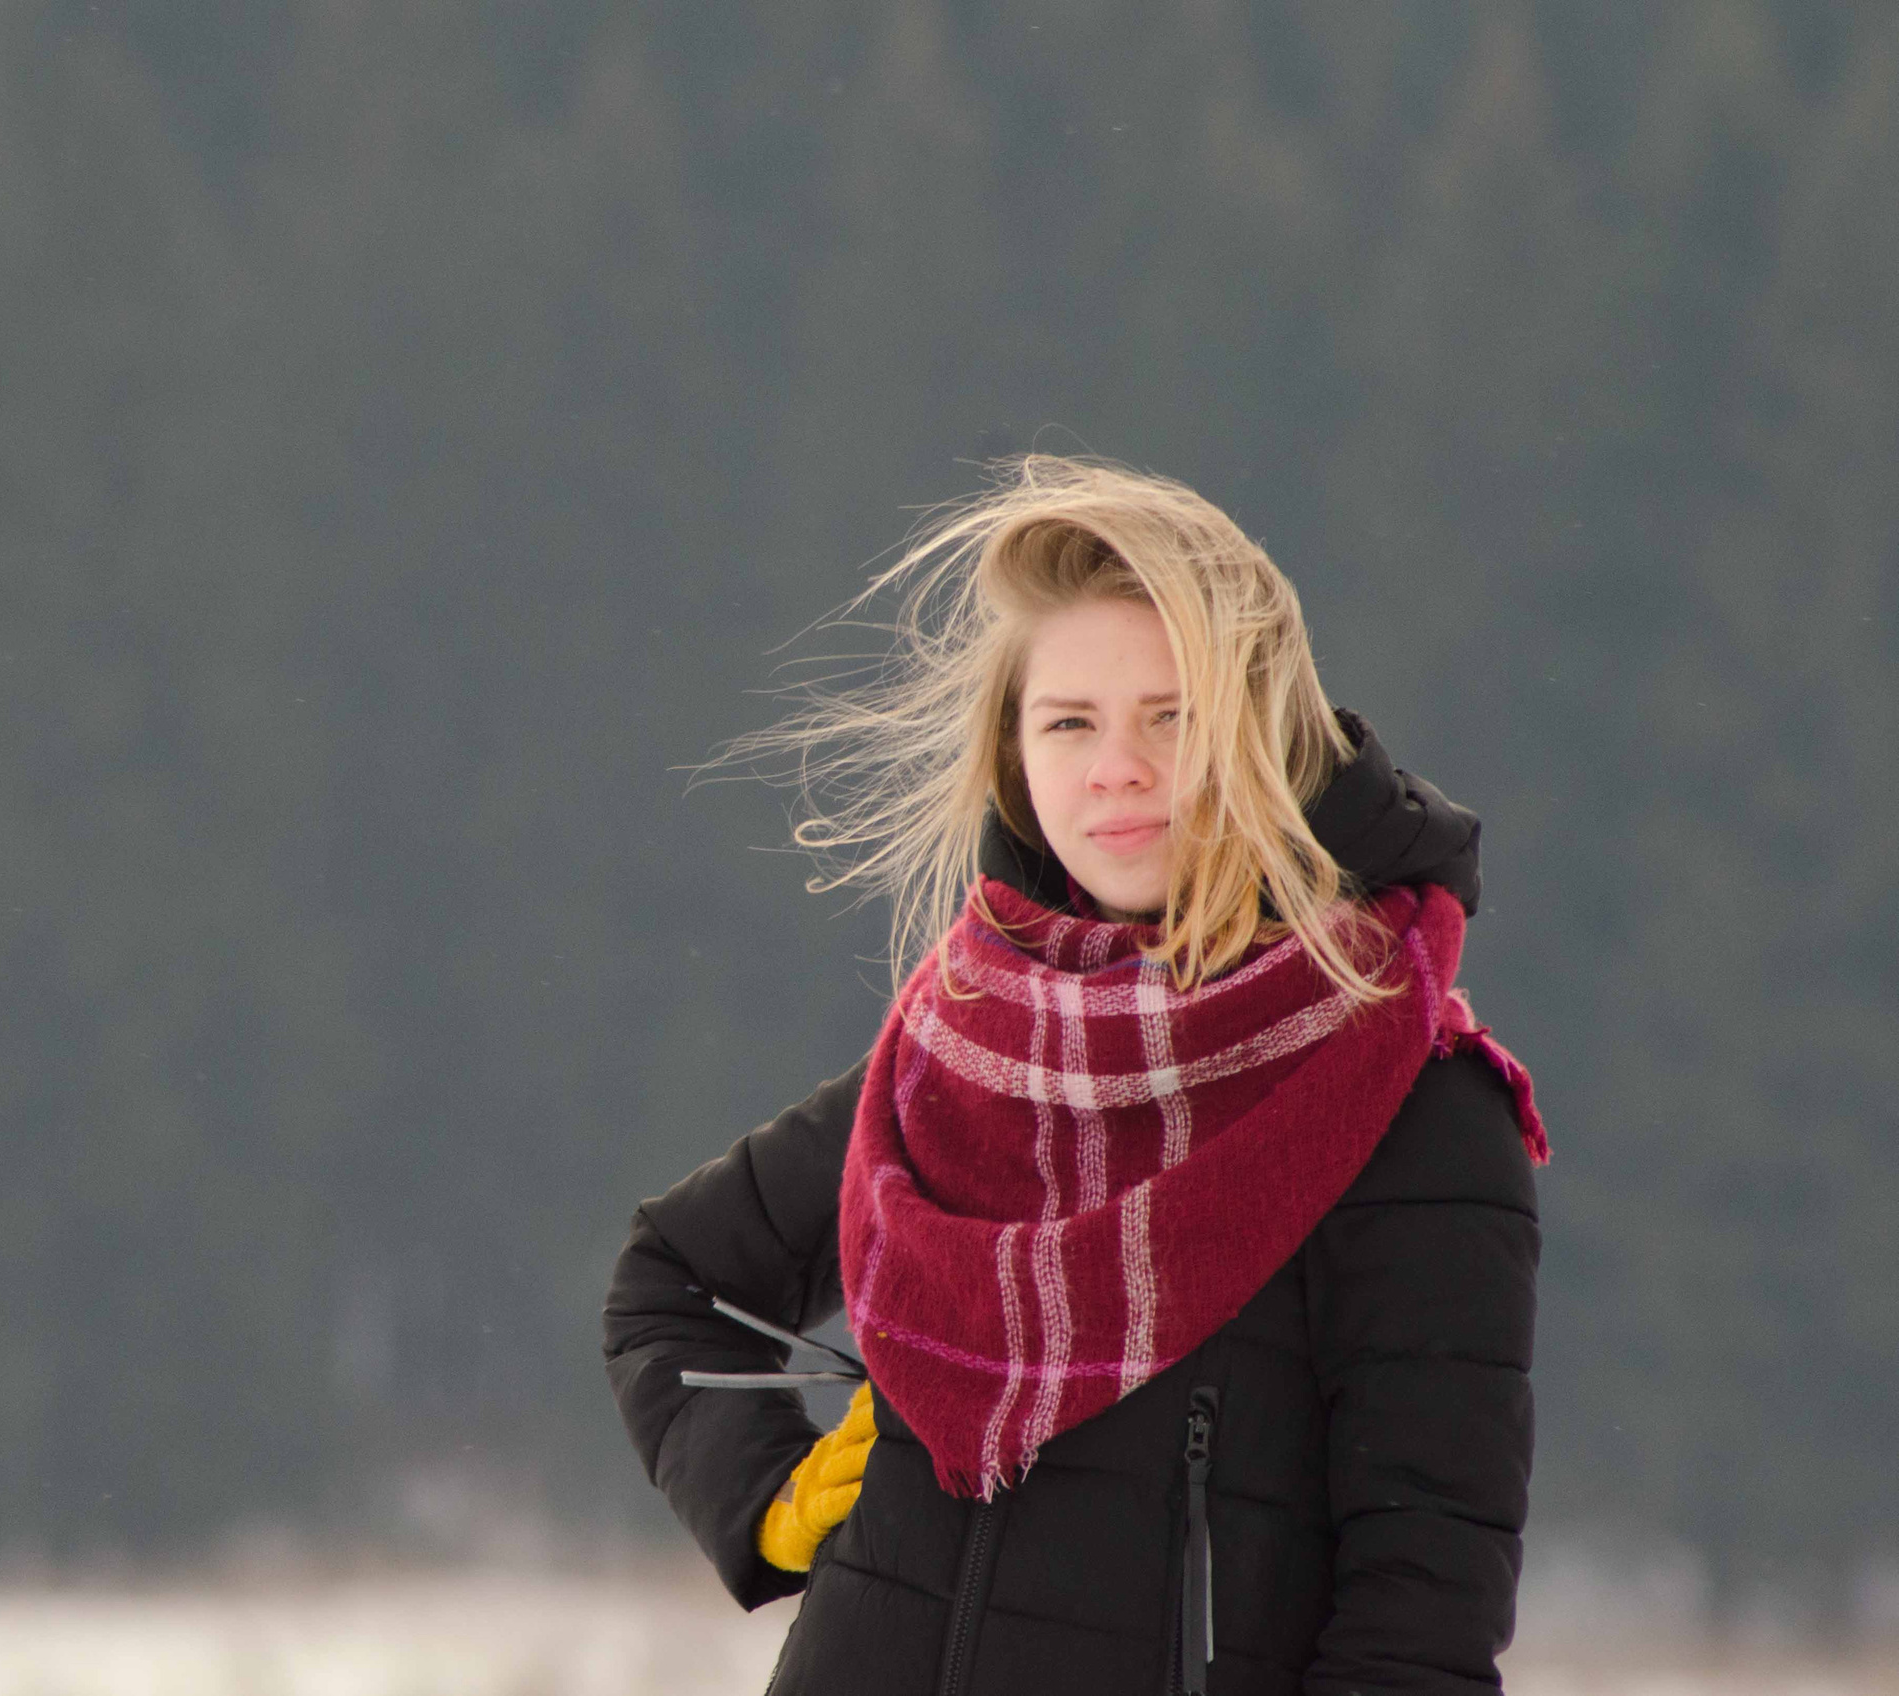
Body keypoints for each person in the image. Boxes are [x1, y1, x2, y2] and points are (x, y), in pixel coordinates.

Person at [603, 457, 1548, 1695]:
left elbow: (1418, 1620)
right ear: (1013, 751)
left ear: (1268, 739)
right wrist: (769, 1495)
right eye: (1069, 722)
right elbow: (669, 1283)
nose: (1117, 767)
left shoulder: (1410, 1106)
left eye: (1173, 716)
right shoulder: (960, 1056)